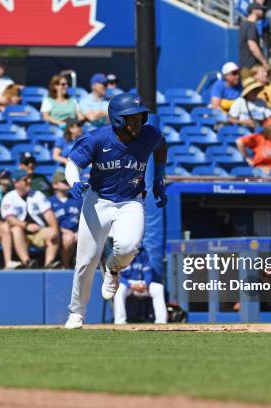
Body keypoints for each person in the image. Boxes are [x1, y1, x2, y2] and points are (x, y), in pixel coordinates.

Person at [63, 93, 167, 329]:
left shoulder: (149, 134)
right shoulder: (97, 139)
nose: (138, 121)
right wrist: (74, 182)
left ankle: (113, 269)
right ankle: (76, 313)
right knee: (86, 261)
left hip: (131, 201)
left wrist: (159, 178)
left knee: (128, 247)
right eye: (132, 118)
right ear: (117, 119)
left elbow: (161, 146)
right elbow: (72, 163)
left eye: (140, 116)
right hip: (98, 201)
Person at [0, 169, 61, 269]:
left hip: (38, 231)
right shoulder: (9, 197)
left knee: (53, 230)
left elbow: (49, 214)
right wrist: (26, 226)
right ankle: (27, 262)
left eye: (29, 179)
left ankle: (49, 263)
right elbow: (10, 219)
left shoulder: (37, 194)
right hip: (21, 233)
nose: (29, 181)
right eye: (25, 179)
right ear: (16, 182)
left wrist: (54, 229)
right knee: (16, 229)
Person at [113, 246, 167, 325]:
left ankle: (161, 321)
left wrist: (146, 284)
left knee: (158, 288)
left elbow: (148, 273)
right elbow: (117, 276)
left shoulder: (143, 254)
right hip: (128, 285)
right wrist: (130, 285)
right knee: (119, 289)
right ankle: (120, 321)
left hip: (142, 284)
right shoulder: (120, 256)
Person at [49, 171, 83, 268]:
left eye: (67, 181)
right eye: (63, 182)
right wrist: (63, 231)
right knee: (68, 238)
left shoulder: (77, 199)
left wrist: (79, 232)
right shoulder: (50, 201)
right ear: (55, 185)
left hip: (76, 232)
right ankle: (65, 266)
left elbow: (84, 219)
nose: (67, 183)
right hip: (60, 233)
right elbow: (48, 224)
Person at [239, 3, 270, 78]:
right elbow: (252, 46)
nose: (263, 12)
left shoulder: (244, 25)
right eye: (261, 9)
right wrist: (264, 62)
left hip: (245, 65)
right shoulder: (251, 26)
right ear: (254, 11)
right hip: (251, 67)